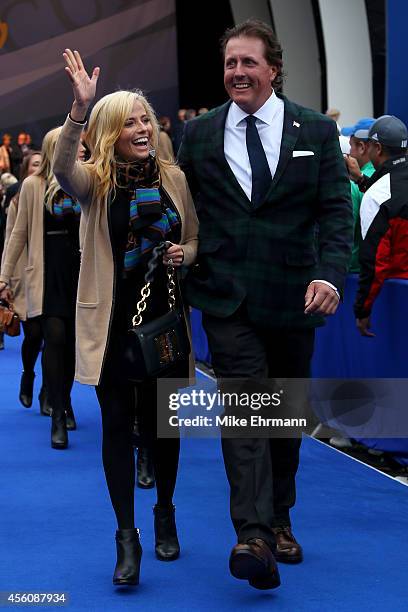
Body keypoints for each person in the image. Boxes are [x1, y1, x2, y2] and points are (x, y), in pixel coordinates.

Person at [178, 19, 353, 590]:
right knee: (246, 411)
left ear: (273, 68)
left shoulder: (318, 130)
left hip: (294, 297)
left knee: (282, 419)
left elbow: (334, 212)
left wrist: (330, 274)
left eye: (248, 63)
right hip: (226, 298)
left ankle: (279, 517)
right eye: (230, 64)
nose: (237, 73)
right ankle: (250, 534)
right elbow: (184, 208)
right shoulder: (200, 134)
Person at [52, 49, 198, 587]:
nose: (142, 127)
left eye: (145, 118)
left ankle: (164, 509)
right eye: (129, 122)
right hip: (111, 326)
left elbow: (194, 236)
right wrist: (78, 110)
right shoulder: (95, 183)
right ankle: (126, 536)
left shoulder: (174, 178)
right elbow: (63, 167)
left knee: (164, 427)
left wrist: (189, 254)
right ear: (111, 132)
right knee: (116, 427)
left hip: (164, 322)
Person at [0, 127, 81, 449]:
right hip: (46, 274)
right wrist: (4, 278)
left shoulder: (83, 182)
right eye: (69, 146)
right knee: (54, 339)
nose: (76, 152)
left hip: (80, 273)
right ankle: (58, 414)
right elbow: (18, 234)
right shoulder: (32, 186)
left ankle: (65, 399)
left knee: (72, 345)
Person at [1, 150, 52, 413]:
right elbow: (12, 239)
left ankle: (48, 391)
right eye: (34, 164)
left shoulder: (59, 194)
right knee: (32, 334)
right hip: (24, 274)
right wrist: (6, 279)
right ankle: (28, 374)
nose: (39, 168)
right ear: (25, 170)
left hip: (52, 275)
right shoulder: (17, 199)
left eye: (42, 164)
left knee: (51, 336)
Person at [350, 115, 408, 336]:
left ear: (377, 147)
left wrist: (362, 310)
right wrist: (361, 181)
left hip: (398, 296)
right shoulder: (379, 190)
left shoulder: (378, 195)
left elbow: (375, 262)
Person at [343, 118, 376, 273]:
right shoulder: (392, 179)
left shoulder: (353, 186)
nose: (349, 153)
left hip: (354, 275)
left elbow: (345, 239)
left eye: (351, 147)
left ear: (362, 147)